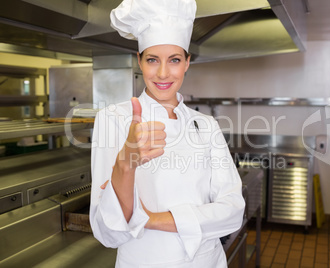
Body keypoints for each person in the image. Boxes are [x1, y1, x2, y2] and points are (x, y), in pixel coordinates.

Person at [89, 0, 245, 267]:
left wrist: (148, 219)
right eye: (152, 60)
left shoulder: (205, 125)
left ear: (186, 63)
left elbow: (233, 212)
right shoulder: (113, 120)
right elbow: (109, 233)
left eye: (174, 60)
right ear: (139, 61)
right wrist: (124, 166)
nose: (163, 73)